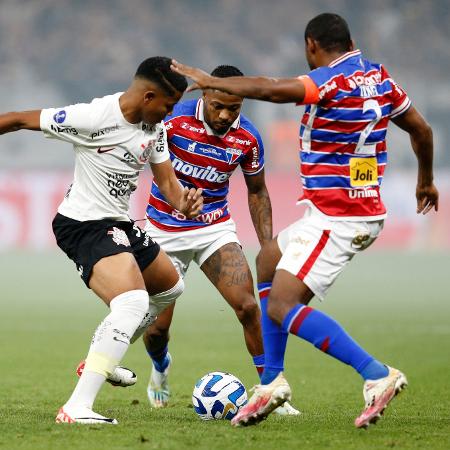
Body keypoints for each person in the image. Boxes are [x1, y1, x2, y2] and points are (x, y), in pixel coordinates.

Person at [171, 12, 439, 428]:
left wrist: (214, 82)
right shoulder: (381, 80)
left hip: (339, 217)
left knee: (281, 305)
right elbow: (421, 130)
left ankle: (376, 374)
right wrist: (426, 182)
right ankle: (272, 382)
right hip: (343, 210)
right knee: (267, 259)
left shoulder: (331, 80)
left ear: (312, 45)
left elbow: (273, 89)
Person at [0, 56, 203, 425]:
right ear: (148, 96)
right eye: (168, 106)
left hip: (118, 222)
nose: (169, 113)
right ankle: (77, 407)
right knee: (132, 302)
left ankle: (104, 358)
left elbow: (169, 184)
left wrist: (184, 203)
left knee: (170, 287)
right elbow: (15, 118)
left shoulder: (154, 129)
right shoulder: (92, 118)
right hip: (82, 224)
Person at [142, 64, 298, 415]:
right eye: (219, 107)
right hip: (163, 230)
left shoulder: (249, 138)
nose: (226, 115)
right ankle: (162, 367)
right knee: (155, 333)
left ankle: (271, 389)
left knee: (247, 307)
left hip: (214, 229)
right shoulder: (173, 120)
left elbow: (257, 192)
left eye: (235, 108)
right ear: (205, 96)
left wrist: (269, 245)